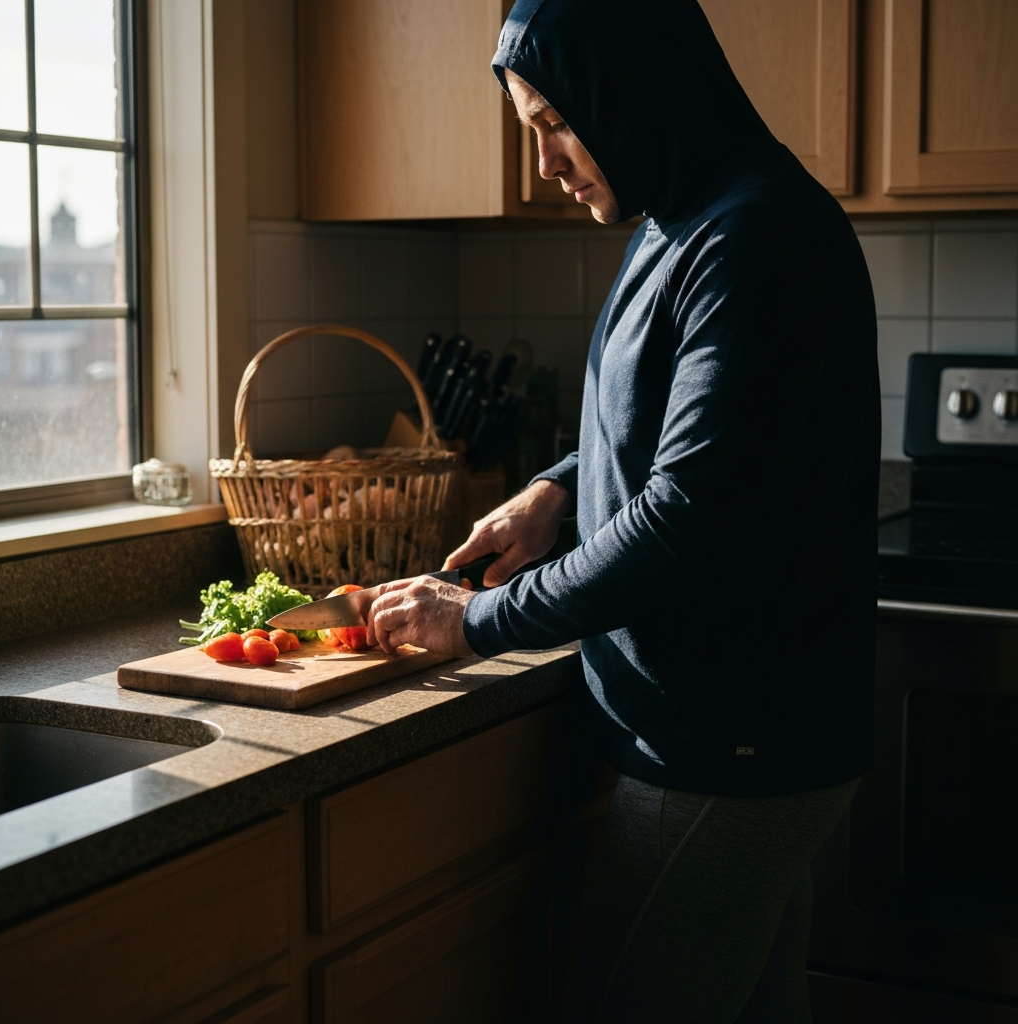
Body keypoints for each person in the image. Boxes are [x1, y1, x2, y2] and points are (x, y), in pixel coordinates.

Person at [363, 0, 879, 1019]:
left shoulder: (752, 238)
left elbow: (686, 514)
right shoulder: (686, 213)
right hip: (740, 740)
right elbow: (684, 425)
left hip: (726, 747)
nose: (547, 161)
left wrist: (471, 621)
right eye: (532, 131)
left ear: (631, 87)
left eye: (556, 121)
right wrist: (556, 489)